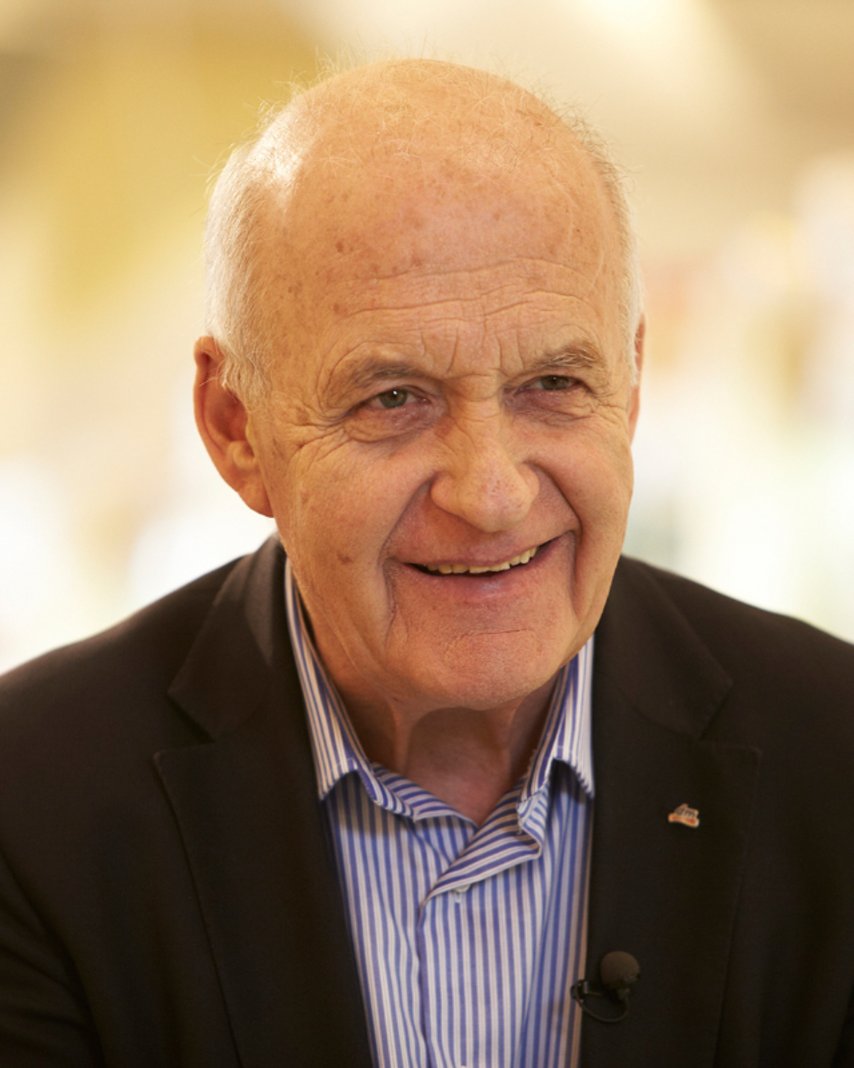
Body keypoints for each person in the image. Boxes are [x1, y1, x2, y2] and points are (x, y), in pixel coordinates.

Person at [0, 59, 852, 1068]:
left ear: (629, 388)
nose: (489, 495)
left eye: (553, 383)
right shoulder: (32, 808)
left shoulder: (831, 761)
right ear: (235, 427)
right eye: (392, 399)